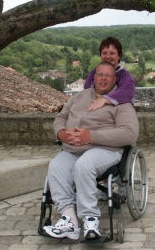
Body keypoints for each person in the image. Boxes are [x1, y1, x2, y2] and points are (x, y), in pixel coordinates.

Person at [42, 62, 139, 240]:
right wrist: (62, 133)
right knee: (56, 166)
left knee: (84, 165)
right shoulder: (79, 97)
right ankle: (69, 219)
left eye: (108, 75)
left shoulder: (121, 102)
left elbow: (130, 134)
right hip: (73, 149)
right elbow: (61, 117)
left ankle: (90, 218)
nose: (103, 79)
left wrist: (91, 137)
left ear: (114, 79)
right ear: (93, 77)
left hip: (105, 150)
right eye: (100, 75)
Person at [84, 36, 136, 112]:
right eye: (104, 53)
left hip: (117, 112)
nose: (108, 57)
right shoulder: (94, 73)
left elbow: (127, 92)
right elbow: (87, 90)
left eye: (112, 53)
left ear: (119, 56)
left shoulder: (124, 76)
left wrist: (105, 100)